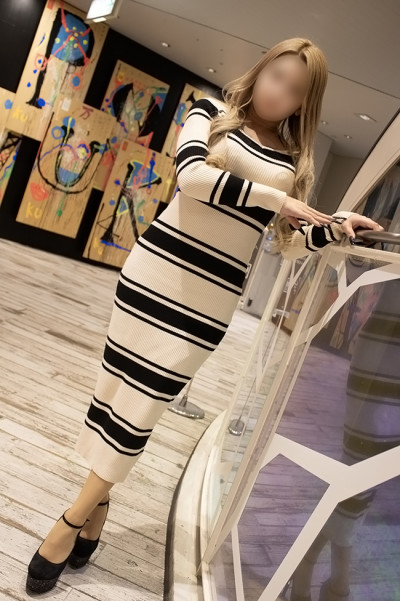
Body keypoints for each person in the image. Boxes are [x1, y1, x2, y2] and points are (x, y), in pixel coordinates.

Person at [26, 37, 383, 594]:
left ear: (303, 104)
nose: (279, 93)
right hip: (152, 275)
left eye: (294, 90)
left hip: (206, 306)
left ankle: (71, 520)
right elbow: (191, 178)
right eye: (276, 76)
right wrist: (276, 199)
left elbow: (288, 244)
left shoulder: (294, 163)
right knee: (113, 394)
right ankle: (98, 509)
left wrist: (334, 227)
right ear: (260, 71)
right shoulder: (210, 113)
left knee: (142, 410)